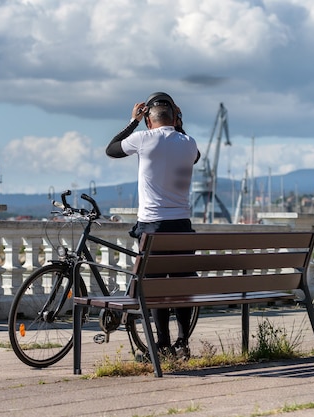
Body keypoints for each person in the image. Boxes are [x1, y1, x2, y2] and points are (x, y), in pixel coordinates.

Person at [105, 92, 200, 360]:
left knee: (156, 285)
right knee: (180, 284)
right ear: (175, 117)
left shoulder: (143, 139)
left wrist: (133, 121)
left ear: (149, 120)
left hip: (153, 226)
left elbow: (112, 149)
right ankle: (182, 343)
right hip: (182, 226)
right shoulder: (189, 142)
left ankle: (162, 345)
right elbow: (194, 155)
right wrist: (178, 123)